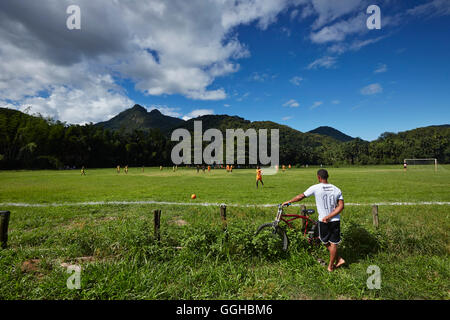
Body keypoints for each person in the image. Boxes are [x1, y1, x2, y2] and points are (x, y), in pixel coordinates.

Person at [282, 169, 345, 272]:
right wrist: (331, 216)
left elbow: (301, 196)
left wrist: (289, 202)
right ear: (327, 176)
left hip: (323, 220)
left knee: (324, 240)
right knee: (333, 243)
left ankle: (331, 266)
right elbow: (341, 206)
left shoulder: (316, 187)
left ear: (318, 177)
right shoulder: (336, 189)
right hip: (335, 220)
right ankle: (337, 260)